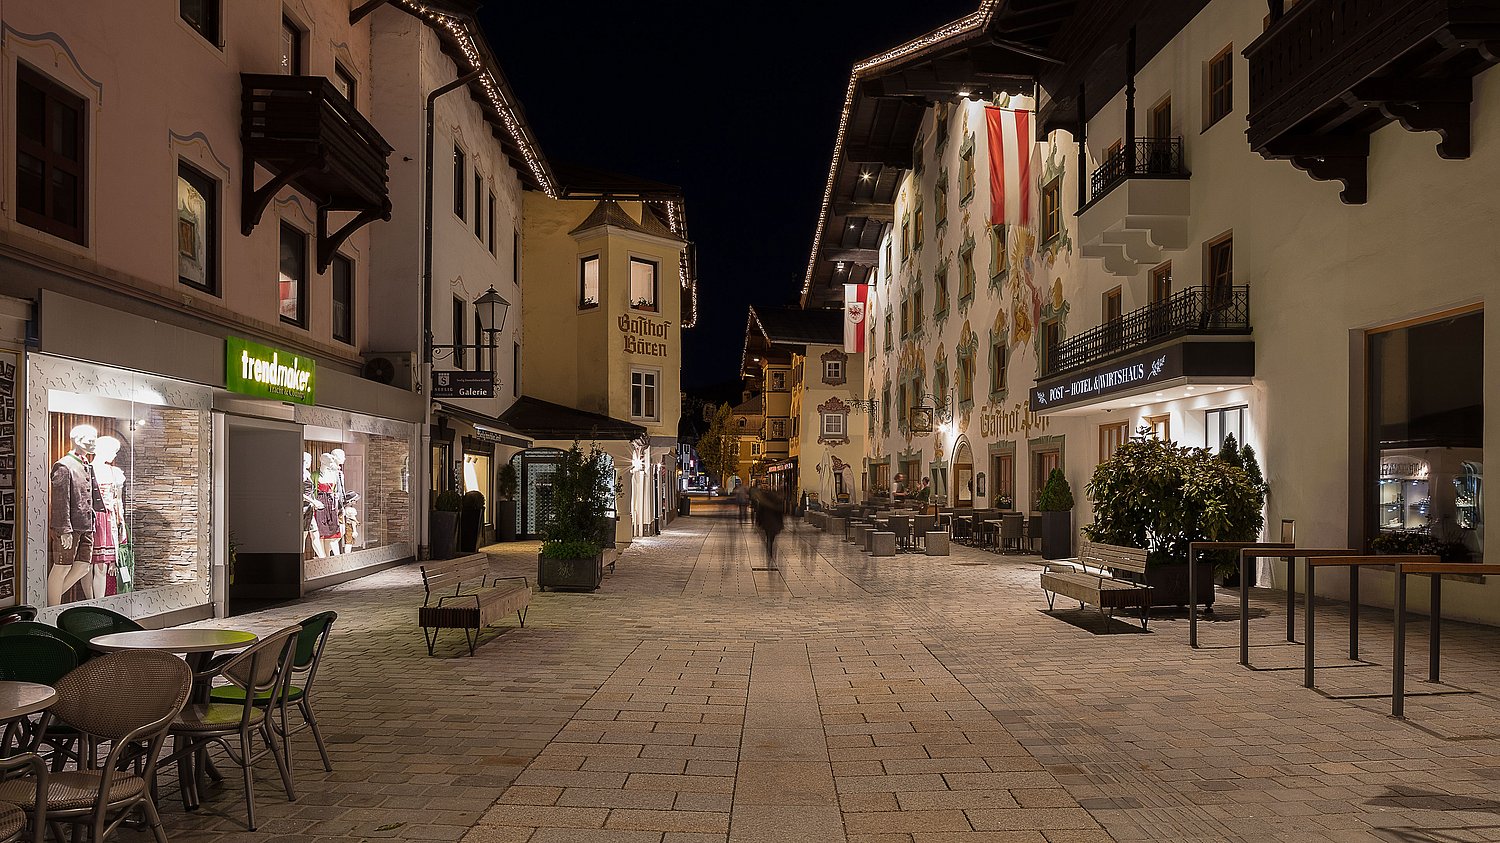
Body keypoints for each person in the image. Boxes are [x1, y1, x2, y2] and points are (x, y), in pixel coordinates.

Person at [752, 482, 785, 567]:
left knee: (768, 537)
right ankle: (771, 550)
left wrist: (758, 523)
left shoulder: (763, 503)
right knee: (772, 538)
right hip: (775, 523)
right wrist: (781, 524)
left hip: (766, 523)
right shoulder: (777, 501)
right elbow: (780, 513)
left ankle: (769, 551)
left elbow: (759, 513)